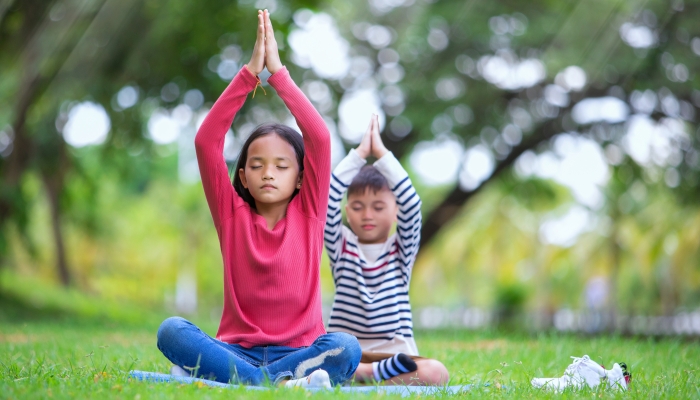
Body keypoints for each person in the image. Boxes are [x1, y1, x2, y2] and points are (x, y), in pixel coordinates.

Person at [156, 9, 361, 388]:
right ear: (243, 177)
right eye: (257, 165)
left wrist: (278, 75)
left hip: (301, 350)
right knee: (172, 331)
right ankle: (277, 384)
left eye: (282, 166)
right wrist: (248, 74)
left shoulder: (310, 211)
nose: (268, 172)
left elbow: (319, 138)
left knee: (346, 347)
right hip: (236, 349)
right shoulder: (230, 214)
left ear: (301, 178)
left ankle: (233, 381)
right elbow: (206, 142)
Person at [324, 114, 449, 385]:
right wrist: (358, 155)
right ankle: (361, 375)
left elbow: (413, 205)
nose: (367, 214)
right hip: (347, 353)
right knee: (313, 364)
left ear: (396, 212)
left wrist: (381, 153)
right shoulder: (341, 246)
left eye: (378, 207)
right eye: (357, 207)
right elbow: (327, 198)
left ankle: (359, 379)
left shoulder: (400, 251)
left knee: (436, 373)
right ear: (347, 212)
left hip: (397, 357)